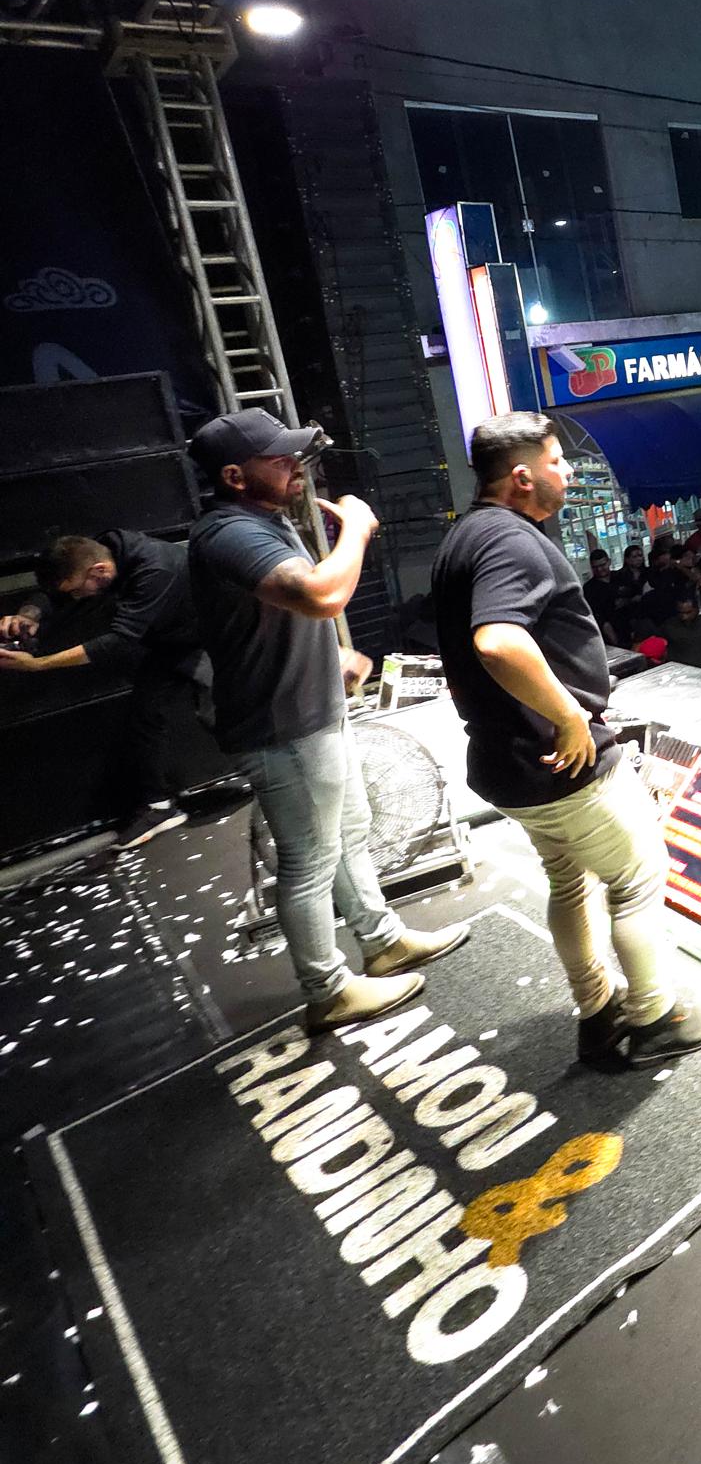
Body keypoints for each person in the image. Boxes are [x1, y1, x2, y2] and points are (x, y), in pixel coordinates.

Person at [430, 411, 701, 1069]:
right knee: (637, 876)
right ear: (522, 476)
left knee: (569, 882)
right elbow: (497, 641)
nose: (567, 471)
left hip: (507, 761)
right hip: (561, 759)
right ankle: (655, 1017)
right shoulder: (510, 541)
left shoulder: (464, 537)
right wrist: (568, 715)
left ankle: (598, 1011)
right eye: (558, 461)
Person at [188, 409, 465, 1030]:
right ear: (234, 476)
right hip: (282, 726)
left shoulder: (261, 520)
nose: (296, 466)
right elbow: (321, 594)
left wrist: (328, 656)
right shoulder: (229, 532)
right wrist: (357, 531)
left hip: (310, 711)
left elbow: (280, 611)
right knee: (309, 859)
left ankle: (382, 941)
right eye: (279, 458)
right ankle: (328, 989)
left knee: (349, 833)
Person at [0, 526, 205, 844]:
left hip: (208, 632)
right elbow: (56, 592)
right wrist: (29, 615)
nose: (77, 598)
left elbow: (118, 642)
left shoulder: (155, 570)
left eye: (78, 591)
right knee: (147, 715)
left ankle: (270, 775)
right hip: (171, 636)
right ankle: (159, 805)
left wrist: (39, 664)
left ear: (99, 572)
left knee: (228, 709)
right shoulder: (104, 548)